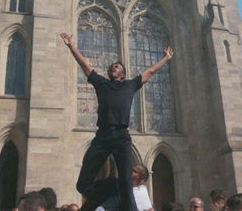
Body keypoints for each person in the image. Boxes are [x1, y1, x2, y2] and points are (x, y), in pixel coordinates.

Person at [60, 32, 173, 211]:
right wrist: (71, 46)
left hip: (121, 136)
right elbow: (85, 65)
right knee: (82, 185)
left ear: (123, 73)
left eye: (117, 66)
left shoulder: (131, 85)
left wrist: (165, 58)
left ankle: (120, 195)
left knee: (127, 185)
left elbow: (150, 71)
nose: (114, 67)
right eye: (112, 66)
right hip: (102, 136)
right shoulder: (101, 83)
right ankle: (111, 190)